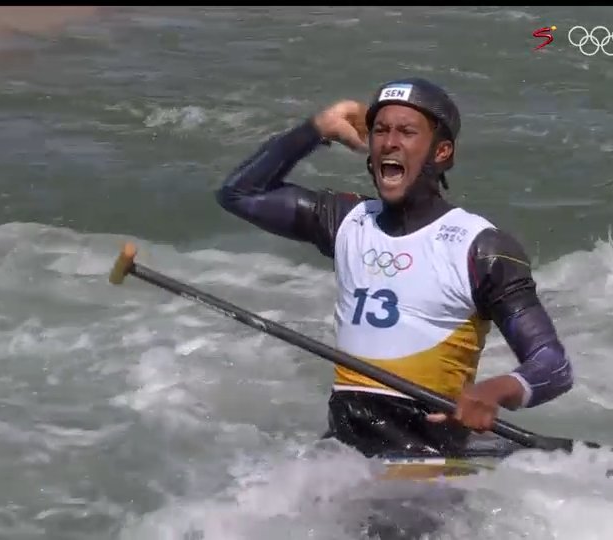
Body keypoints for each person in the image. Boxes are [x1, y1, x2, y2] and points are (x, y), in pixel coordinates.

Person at [214, 77, 574, 458]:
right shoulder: (345, 221)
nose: (389, 142)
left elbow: (552, 365)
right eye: (381, 130)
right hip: (344, 450)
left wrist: (495, 390)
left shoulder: (481, 248)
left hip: (427, 450)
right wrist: (318, 129)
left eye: (407, 132)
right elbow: (240, 193)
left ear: (442, 152)